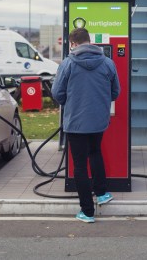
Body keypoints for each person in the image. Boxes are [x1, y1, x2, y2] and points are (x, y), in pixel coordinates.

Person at [51, 27, 120, 223]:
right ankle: (102, 193)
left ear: (73, 43)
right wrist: (100, 102)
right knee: (95, 152)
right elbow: (115, 91)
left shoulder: (67, 64)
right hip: (98, 120)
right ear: (89, 41)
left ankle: (88, 212)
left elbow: (57, 93)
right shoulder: (107, 63)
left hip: (75, 122)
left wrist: (71, 103)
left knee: (80, 166)